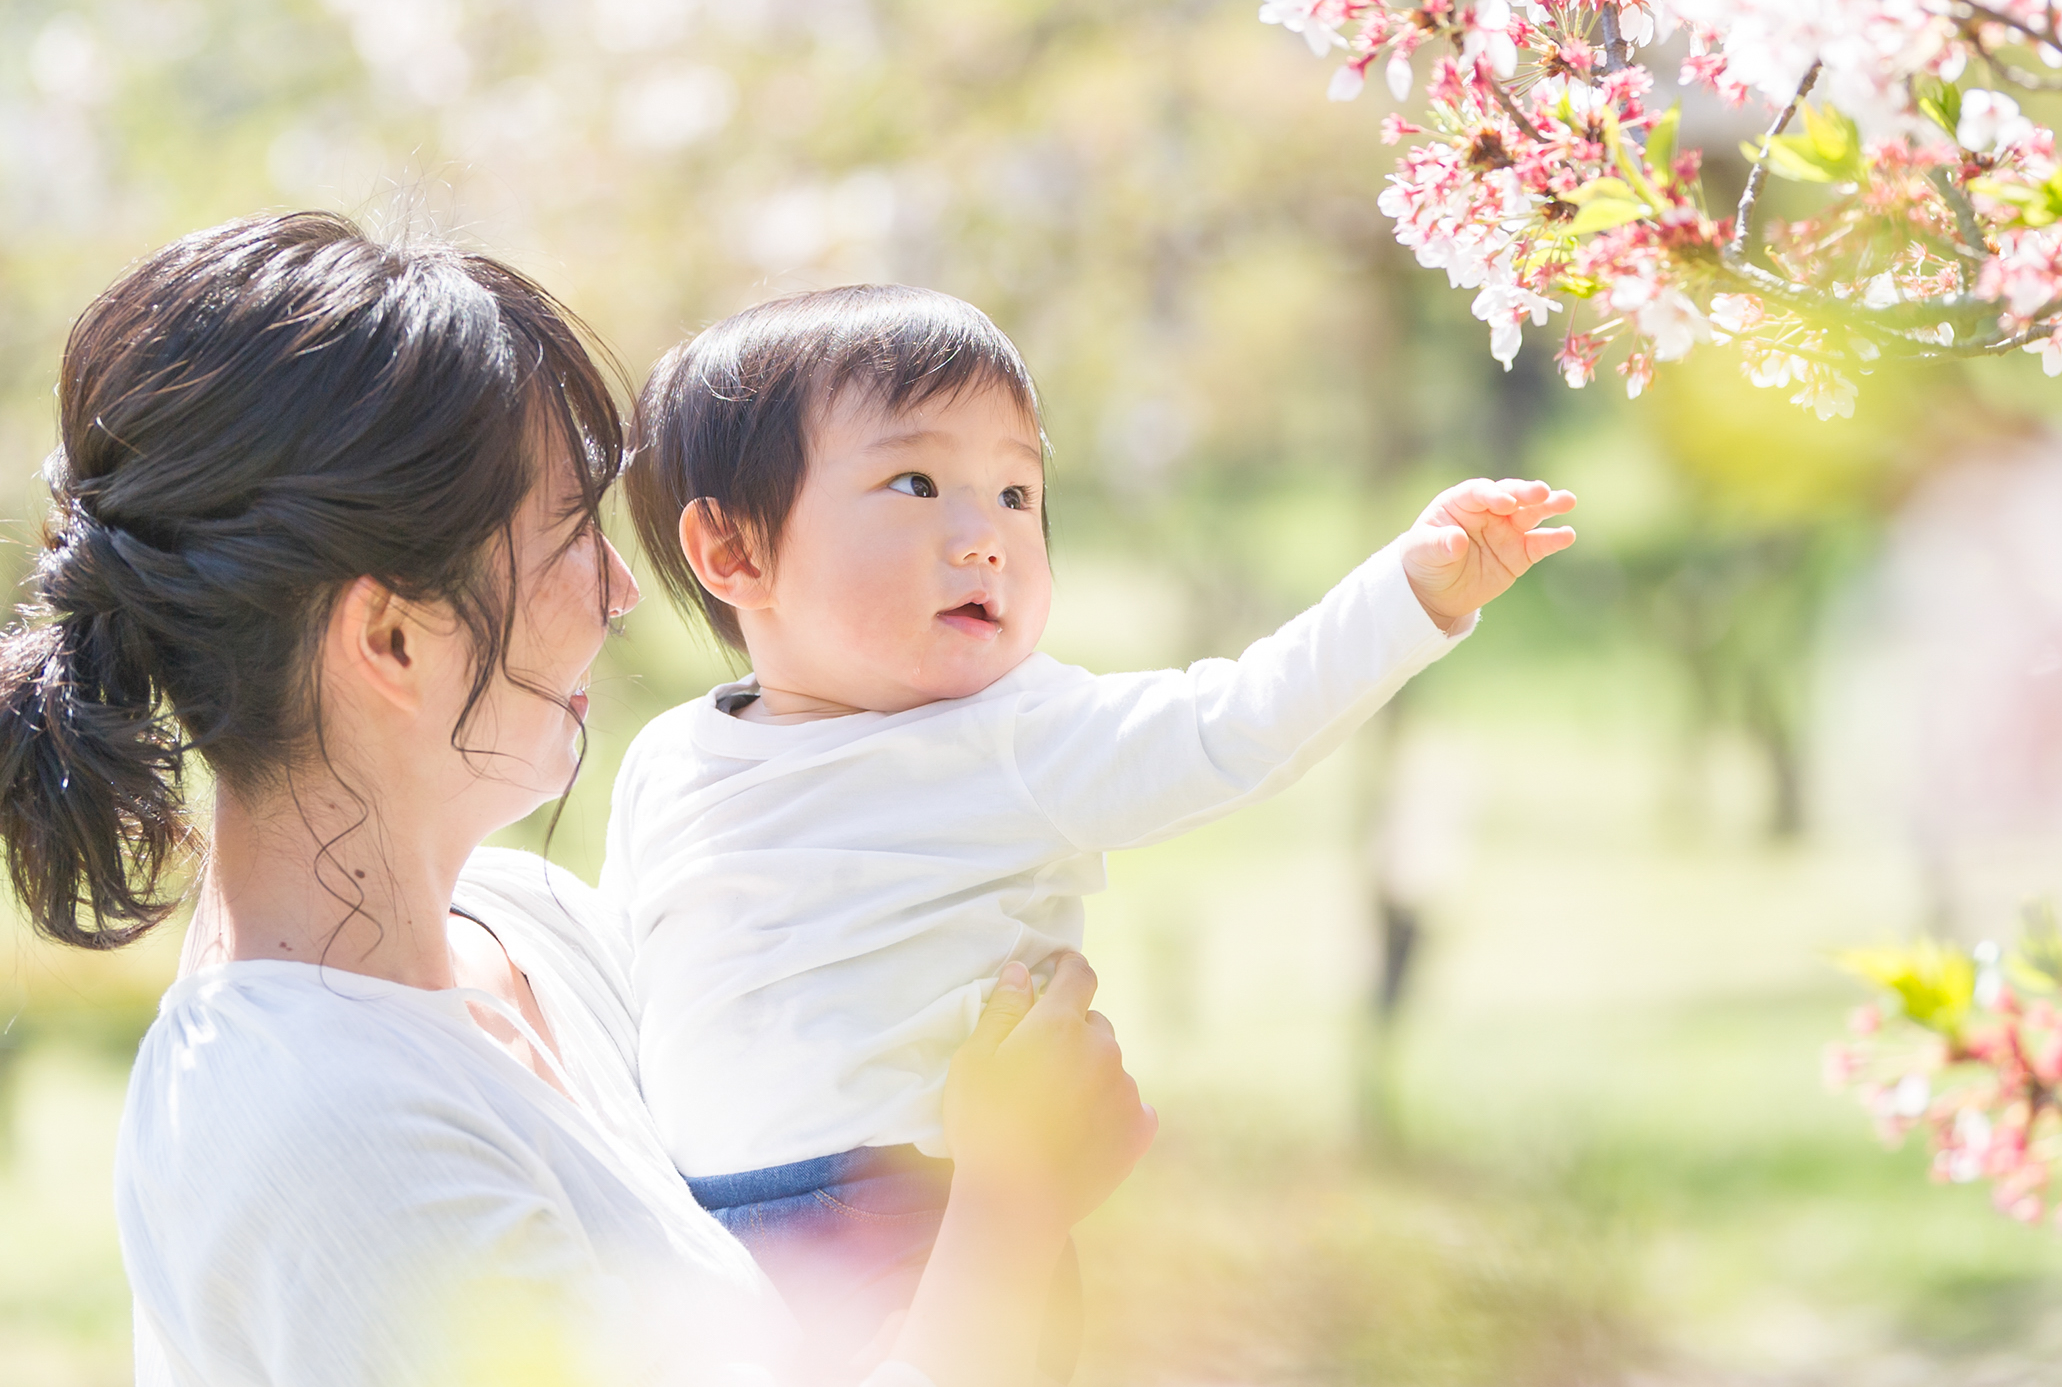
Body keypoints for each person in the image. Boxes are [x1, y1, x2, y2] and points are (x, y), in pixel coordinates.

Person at [0, 213, 1152, 1387]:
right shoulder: (318, 1127)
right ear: (391, 636)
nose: (620, 591)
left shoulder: (535, 926)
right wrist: (1008, 1207)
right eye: (566, 537)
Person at [609, 284, 1578, 1359]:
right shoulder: (667, 760)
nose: (985, 538)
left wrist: (1409, 595)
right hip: (701, 1234)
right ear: (735, 553)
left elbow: (1236, 724)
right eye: (917, 482)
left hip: (927, 1222)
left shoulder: (1017, 734)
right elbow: (628, 992)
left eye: (1018, 494)